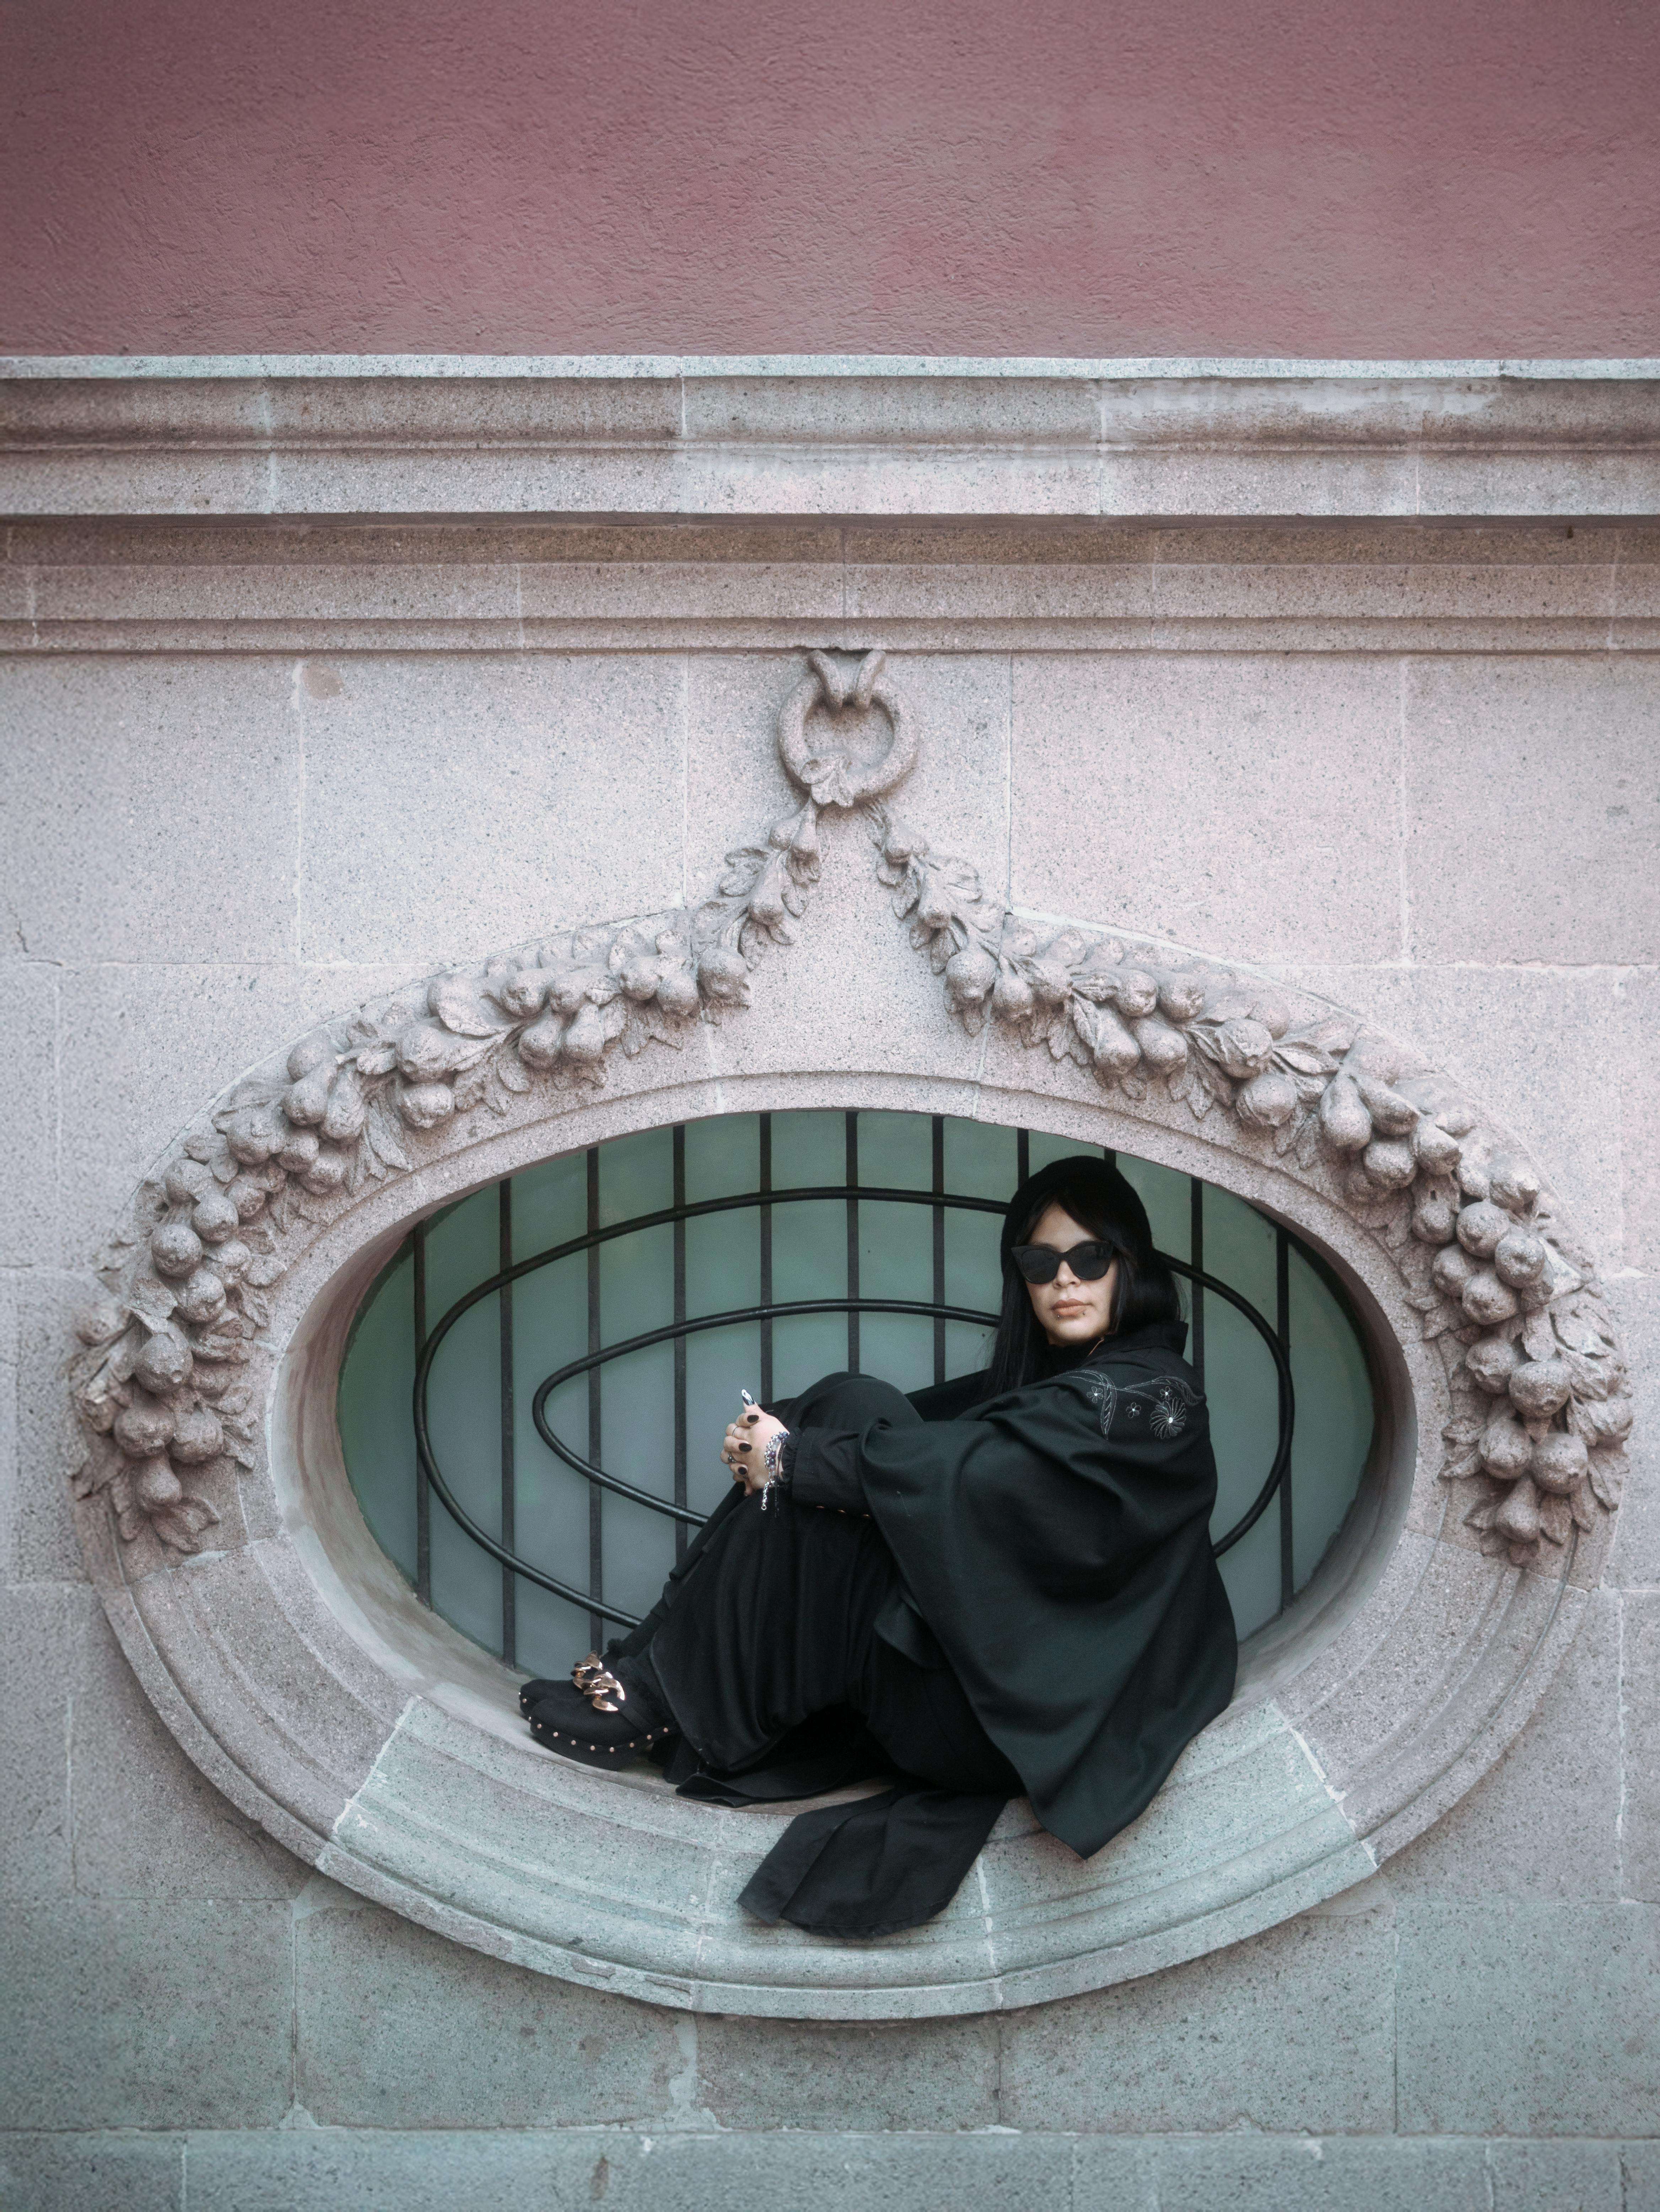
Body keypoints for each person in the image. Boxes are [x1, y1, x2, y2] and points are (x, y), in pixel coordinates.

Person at [519, 1155, 1238, 1939]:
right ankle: (651, 1676)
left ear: (1127, 1264)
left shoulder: (1146, 1399)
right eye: (1039, 1261)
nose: (1063, 1279)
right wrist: (786, 1436)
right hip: (977, 1702)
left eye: (1088, 1257)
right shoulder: (1067, 1384)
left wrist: (792, 1459)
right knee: (846, 1406)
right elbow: (939, 1434)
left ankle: (652, 1695)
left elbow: (977, 1472)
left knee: (838, 1449)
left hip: (995, 1731)